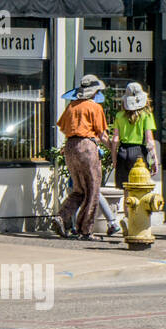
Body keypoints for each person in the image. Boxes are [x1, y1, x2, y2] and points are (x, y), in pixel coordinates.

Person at [53, 74, 109, 240]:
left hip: (70, 147)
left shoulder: (72, 106)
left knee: (79, 189)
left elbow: (63, 127)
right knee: (93, 189)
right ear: (93, 92)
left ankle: (62, 216)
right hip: (87, 147)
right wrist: (114, 149)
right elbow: (102, 134)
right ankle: (85, 230)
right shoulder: (94, 107)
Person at [111, 82, 158, 188]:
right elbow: (149, 141)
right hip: (139, 153)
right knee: (139, 189)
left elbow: (115, 140)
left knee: (126, 190)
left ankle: (126, 206)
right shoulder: (146, 115)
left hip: (122, 152)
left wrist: (114, 159)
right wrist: (154, 160)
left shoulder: (119, 115)